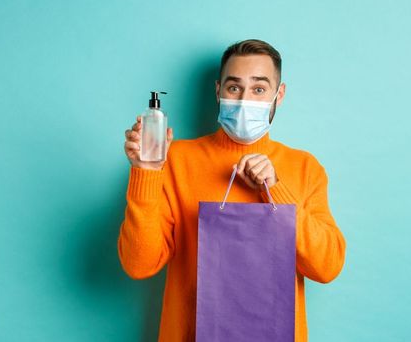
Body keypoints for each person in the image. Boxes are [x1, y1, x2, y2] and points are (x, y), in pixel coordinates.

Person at [119, 39, 346, 341]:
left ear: (279, 95)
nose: (244, 100)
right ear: (218, 90)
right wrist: (146, 173)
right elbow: (139, 265)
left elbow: (327, 267)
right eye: (234, 87)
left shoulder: (304, 168)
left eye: (259, 89)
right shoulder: (174, 160)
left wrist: (275, 191)